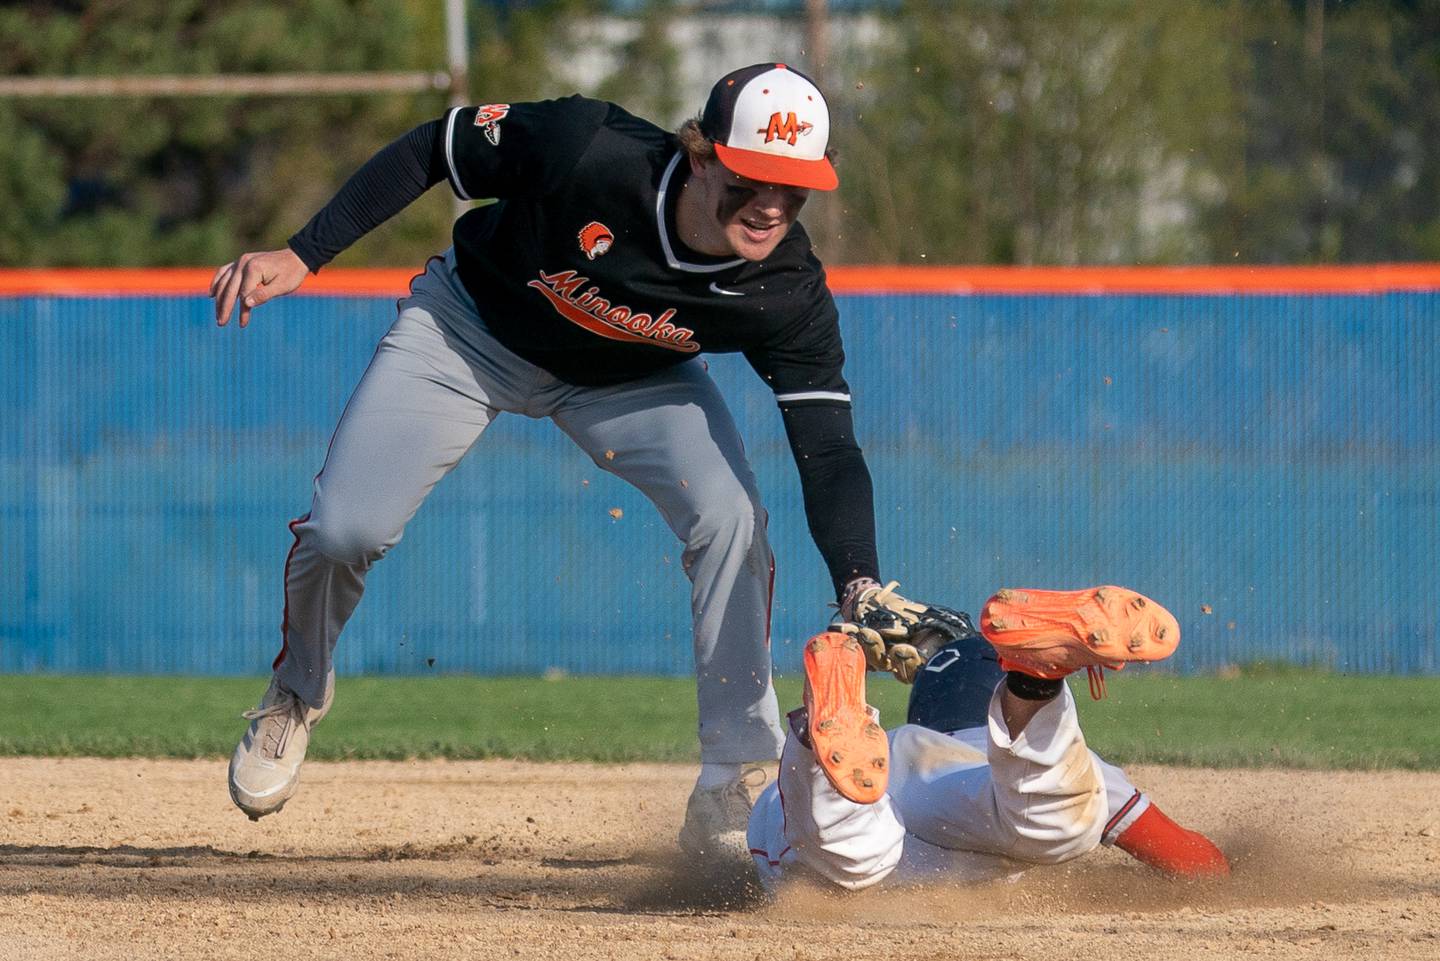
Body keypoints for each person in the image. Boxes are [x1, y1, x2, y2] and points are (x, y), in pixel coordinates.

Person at [209, 62, 933, 863]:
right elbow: (432, 149)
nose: (771, 203)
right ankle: (297, 693)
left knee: (731, 519)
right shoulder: (586, 148)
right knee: (345, 530)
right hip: (470, 332)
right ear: (700, 153)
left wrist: (858, 581)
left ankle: (731, 772)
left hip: (630, 376)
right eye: (753, 176)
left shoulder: (785, 288)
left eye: (793, 186)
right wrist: (306, 253)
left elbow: (828, 448)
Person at [747, 586, 1231, 890]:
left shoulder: (897, 743)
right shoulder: (1086, 768)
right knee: (1056, 820)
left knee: (845, 853)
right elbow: (1194, 862)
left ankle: (815, 740)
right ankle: (1034, 687)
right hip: (973, 798)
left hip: (892, 780)